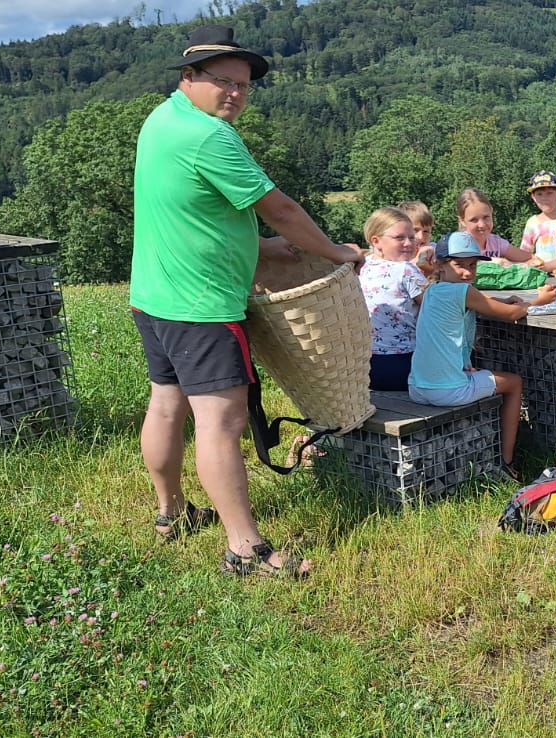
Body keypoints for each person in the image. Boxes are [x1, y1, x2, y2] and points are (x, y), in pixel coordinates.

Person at [130, 25, 361, 579]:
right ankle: (246, 550)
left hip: (155, 296)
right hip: (203, 304)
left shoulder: (162, 120)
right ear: (189, 76)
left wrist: (258, 248)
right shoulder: (210, 137)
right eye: (223, 81)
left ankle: (172, 513)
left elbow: (191, 213)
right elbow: (280, 209)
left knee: (166, 405)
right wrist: (335, 252)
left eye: (243, 85)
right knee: (222, 421)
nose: (235, 93)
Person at [409, 237, 556, 478]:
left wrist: (501, 301)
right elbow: (512, 314)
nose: (468, 272)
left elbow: (479, 303)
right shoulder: (464, 290)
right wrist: (539, 301)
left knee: (483, 373)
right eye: (460, 265)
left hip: (417, 386)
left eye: (473, 265)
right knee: (514, 382)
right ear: (440, 264)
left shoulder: (432, 290)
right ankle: (507, 462)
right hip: (447, 391)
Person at [358, 207, 427, 391]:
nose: (409, 243)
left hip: (364, 367)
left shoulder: (361, 267)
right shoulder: (406, 270)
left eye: (411, 237)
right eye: (399, 238)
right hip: (404, 364)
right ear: (376, 241)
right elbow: (436, 308)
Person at [445, 188, 527, 266]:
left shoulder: (496, 243)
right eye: (474, 220)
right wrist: (495, 262)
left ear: (491, 212)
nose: (482, 225)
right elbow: (465, 264)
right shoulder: (459, 244)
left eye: (486, 217)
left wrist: (517, 265)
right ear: (462, 221)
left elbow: (529, 258)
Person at [396, 200, 437, 277]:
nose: (421, 237)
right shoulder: (396, 256)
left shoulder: (434, 250)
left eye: (426, 231)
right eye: (415, 230)